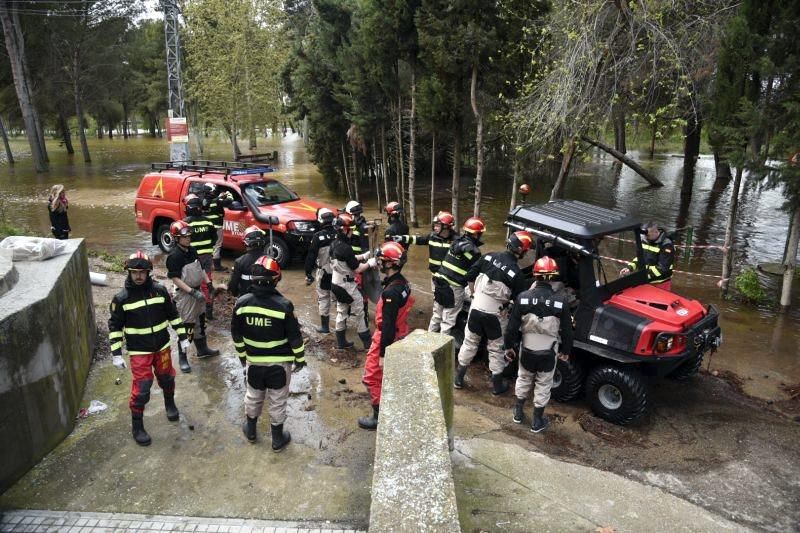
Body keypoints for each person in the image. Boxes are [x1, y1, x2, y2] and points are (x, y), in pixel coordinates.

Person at [108, 251, 189, 446]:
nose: (138, 276)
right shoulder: (121, 299)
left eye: (142, 272)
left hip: (162, 347)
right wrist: (116, 353)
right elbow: (115, 327)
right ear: (129, 272)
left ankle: (170, 404)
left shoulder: (160, 291)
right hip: (139, 352)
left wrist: (183, 336)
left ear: (148, 272)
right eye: (134, 272)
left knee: (167, 378)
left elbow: (173, 315)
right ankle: (137, 426)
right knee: (142, 389)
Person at [231, 255, 305, 452]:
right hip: (279, 366)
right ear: (276, 279)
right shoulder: (284, 305)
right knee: (278, 400)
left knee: (253, 396)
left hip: (254, 363)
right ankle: (277, 439)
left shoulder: (241, 304)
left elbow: (236, 335)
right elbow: (295, 338)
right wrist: (300, 359)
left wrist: (242, 358)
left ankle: (251, 431)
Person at [454, 231, 531, 394]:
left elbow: (469, 276)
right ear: (521, 250)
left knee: (470, 342)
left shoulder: (488, 256)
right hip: (495, 316)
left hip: (476, 309)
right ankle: (497, 386)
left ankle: (458, 379)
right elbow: (519, 301)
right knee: (496, 349)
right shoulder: (516, 273)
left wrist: (475, 295)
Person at [504, 256, 573, 433]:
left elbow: (512, 326)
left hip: (527, 349)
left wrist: (509, 347)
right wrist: (565, 351)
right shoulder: (561, 300)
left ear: (535, 275)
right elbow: (567, 330)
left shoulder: (523, 297)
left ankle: (518, 412)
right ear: (554, 276)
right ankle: (537, 420)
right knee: (543, 384)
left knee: (524, 378)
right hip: (548, 351)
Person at [357, 241, 414, 430]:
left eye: (381, 261)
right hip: (401, 332)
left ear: (390, 264)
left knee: (372, 376)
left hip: (387, 336)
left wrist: (382, 354)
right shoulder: (402, 283)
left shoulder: (391, 293)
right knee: (390, 376)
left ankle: (378, 417)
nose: (379, 264)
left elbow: (388, 325)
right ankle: (392, 406)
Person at [165, 220, 219, 373]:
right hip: (185, 295)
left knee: (200, 322)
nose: (188, 238)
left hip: (198, 291)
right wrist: (191, 291)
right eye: (185, 236)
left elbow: (201, 269)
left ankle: (202, 349)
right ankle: (183, 357)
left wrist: (208, 284)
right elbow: (175, 278)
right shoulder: (174, 257)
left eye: (189, 235)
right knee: (187, 326)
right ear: (176, 238)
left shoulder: (192, 251)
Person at [430, 216, 485, 336]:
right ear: (476, 234)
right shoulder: (474, 251)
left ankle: (427, 343)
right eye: (480, 233)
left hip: (439, 282)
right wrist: (474, 294)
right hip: (454, 288)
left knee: (437, 316)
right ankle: (441, 349)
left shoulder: (456, 241)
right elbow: (472, 275)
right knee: (448, 321)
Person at [330, 213, 378, 349]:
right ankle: (368, 343)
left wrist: (363, 255)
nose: (352, 232)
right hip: (347, 286)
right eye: (351, 229)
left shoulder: (334, 244)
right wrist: (370, 263)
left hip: (335, 285)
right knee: (360, 312)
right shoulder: (345, 247)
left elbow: (346, 260)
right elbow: (358, 269)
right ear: (345, 230)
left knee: (342, 312)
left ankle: (341, 343)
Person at [183, 193, 218, 320]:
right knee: (206, 283)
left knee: (190, 283)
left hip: (191, 258)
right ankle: (209, 311)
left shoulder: (185, 223)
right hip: (207, 256)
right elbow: (215, 238)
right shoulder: (208, 222)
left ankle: (194, 310)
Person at [304, 207, 337, 333]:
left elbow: (311, 256)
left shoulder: (318, 237)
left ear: (320, 220)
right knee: (339, 299)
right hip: (339, 273)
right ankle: (343, 325)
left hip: (324, 273)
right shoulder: (339, 233)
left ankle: (325, 327)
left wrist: (308, 273)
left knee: (323, 298)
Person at [620, 221, 674, 290]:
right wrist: (629, 268)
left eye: (648, 235)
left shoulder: (667, 245)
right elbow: (640, 258)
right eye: (645, 235)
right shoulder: (645, 240)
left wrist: (643, 275)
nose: (646, 237)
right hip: (645, 279)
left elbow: (662, 268)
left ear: (655, 232)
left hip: (661, 283)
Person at [201, 183, 234, 272]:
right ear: (210, 191)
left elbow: (215, 201)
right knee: (217, 245)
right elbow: (230, 200)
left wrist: (220, 196)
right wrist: (228, 193)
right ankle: (217, 266)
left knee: (209, 244)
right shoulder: (216, 201)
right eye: (213, 190)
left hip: (207, 226)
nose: (214, 192)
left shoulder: (203, 201)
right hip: (216, 227)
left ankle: (207, 263)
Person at [229, 225, 266, 297]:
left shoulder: (240, 261)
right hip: (265, 298)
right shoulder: (269, 260)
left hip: (246, 299)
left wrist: (235, 296)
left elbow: (233, 284)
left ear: (246, 243)